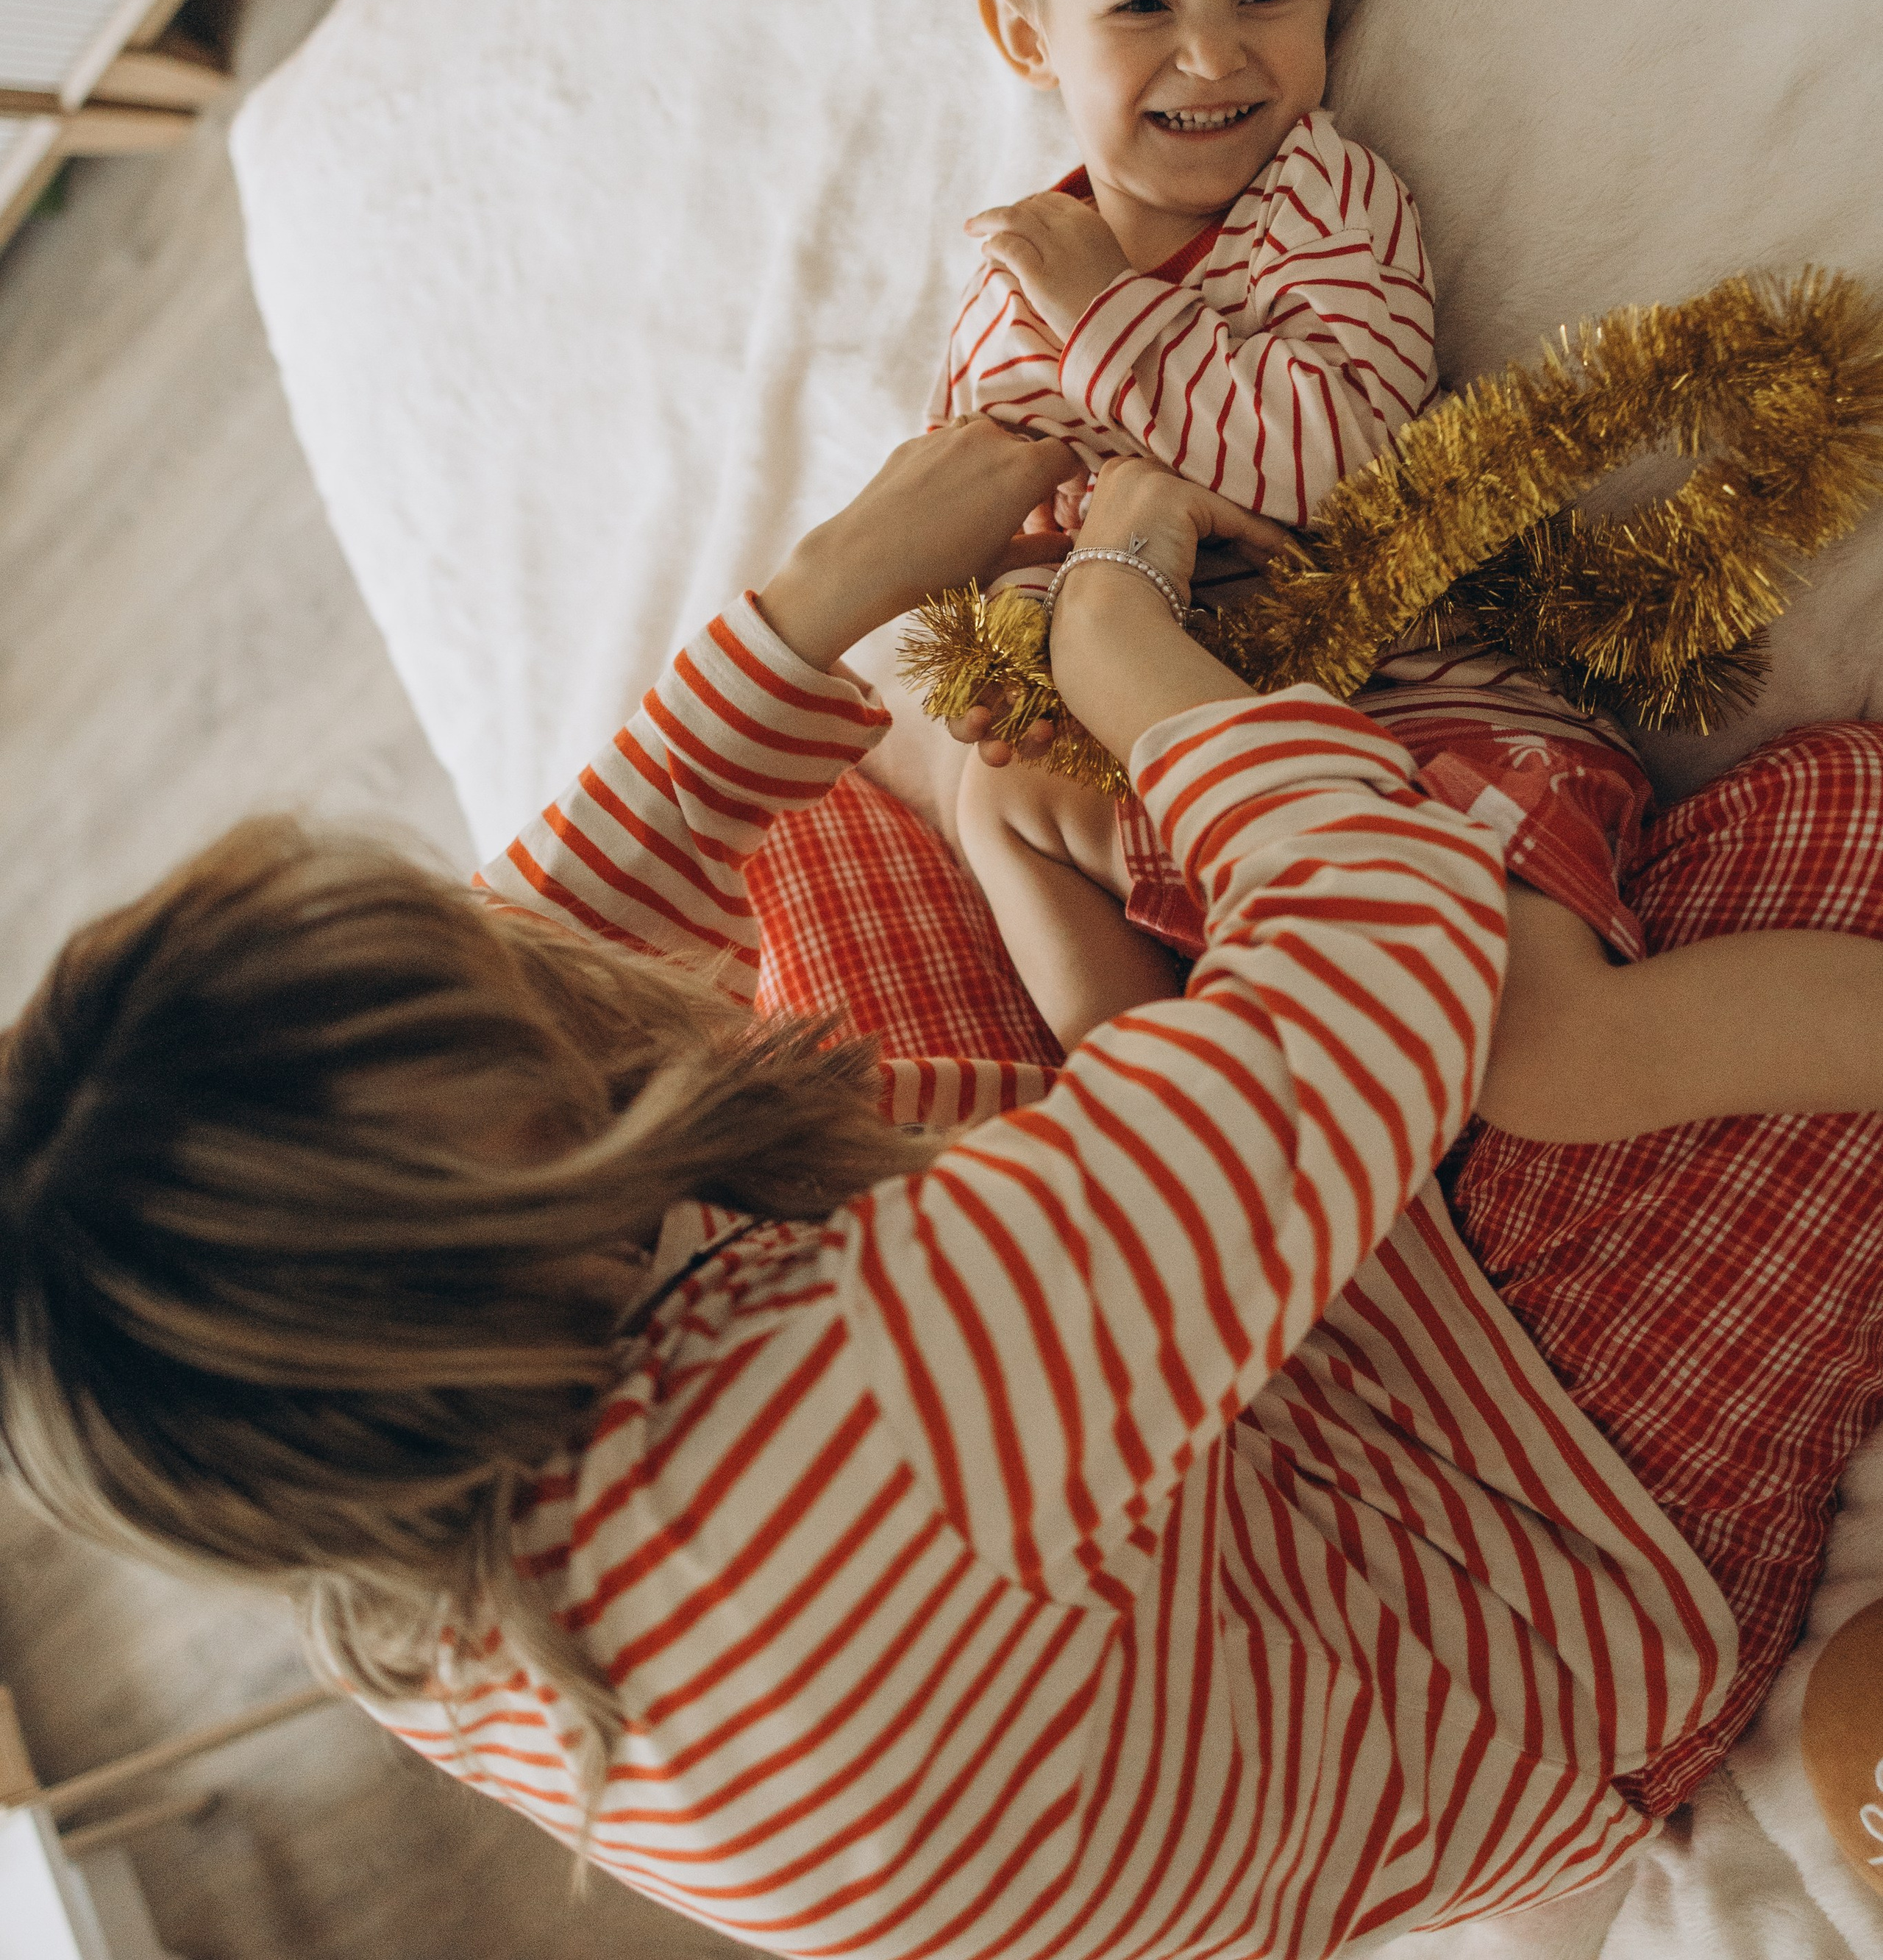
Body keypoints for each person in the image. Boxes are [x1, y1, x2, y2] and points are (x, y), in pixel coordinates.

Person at [4, 419, 1883, 1956]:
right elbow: (1380, 951)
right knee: (1821, 844)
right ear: (501, 1233)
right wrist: (1120, 636)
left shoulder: (357, 1510)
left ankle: (1141, 1083)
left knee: (796, 825)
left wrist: (825, 593)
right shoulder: (854, 1411)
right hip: (1513, 1563)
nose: (517, 964)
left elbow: (535, 945)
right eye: (496, 1039)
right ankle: (1166, 1078)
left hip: (1110, 1521)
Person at [930, 0, 1837, 1122]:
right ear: (1026, 37)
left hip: (1413, 721)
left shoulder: (1322, 204)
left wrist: (1107, 317)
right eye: (1140, 8)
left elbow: (1327, 464)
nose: (1212, 51)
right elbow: (966, 507)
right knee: (993, 797)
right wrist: (996, 582)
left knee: (1539, 1062)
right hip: (1187, 749)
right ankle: (1170, 1124)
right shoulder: (1009, 277)